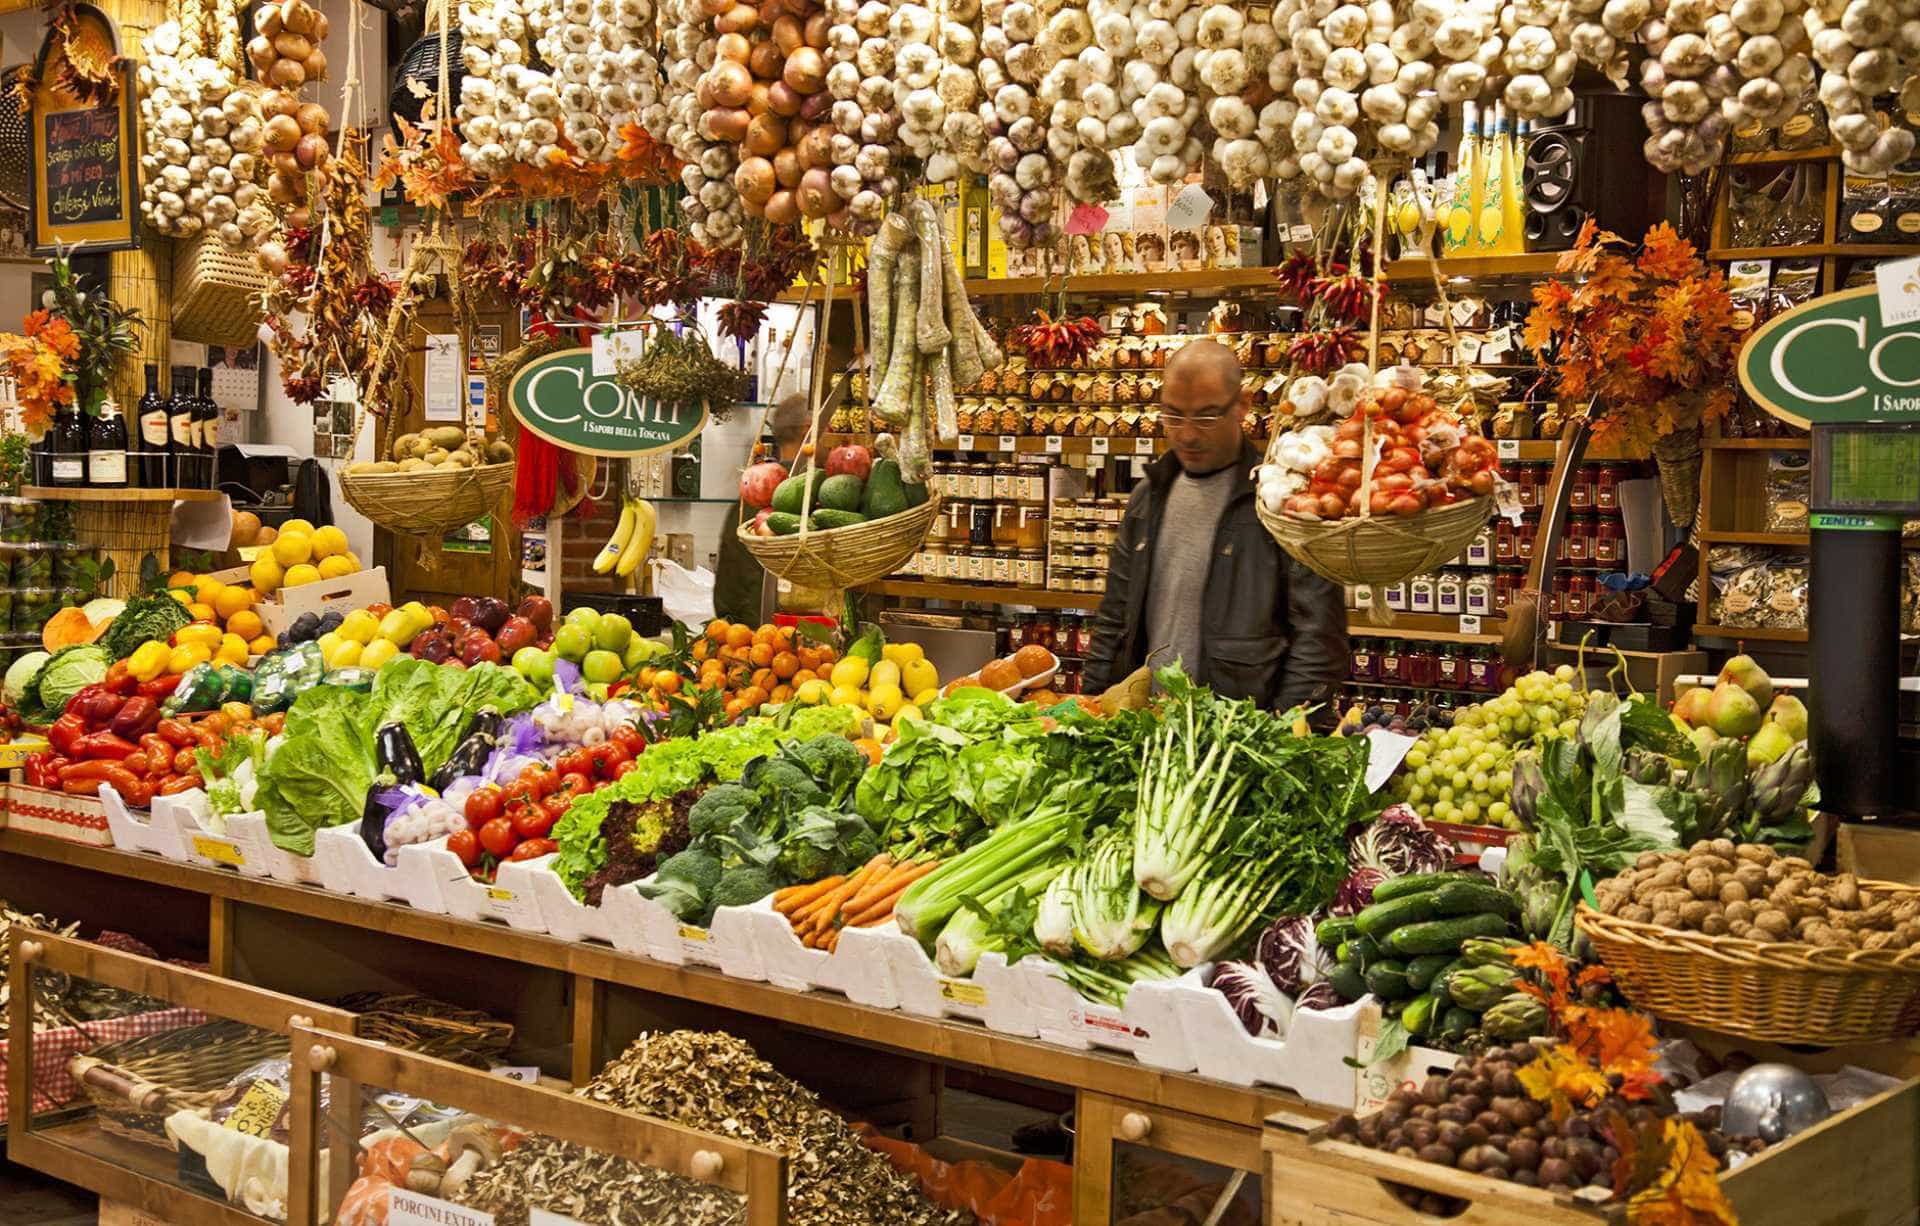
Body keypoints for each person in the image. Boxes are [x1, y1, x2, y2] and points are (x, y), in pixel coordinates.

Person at [1084, 339, 1347, 712]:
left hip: (1239, 738)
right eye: (1174, 416)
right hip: (1143, 731)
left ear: (1242, 406)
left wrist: (1281, 731)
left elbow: (1319, 636)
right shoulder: (1148, 497)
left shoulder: (1284, 502)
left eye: (1206, 417)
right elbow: (1114, 617)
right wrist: (1091, 707)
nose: (1187, 434)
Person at [713, 395, 811, 625]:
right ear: (809, 430)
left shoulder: (751, 496)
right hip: (792, 641)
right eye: (831, 429)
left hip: (747, 637)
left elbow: (728, 590)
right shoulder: (809, 494)